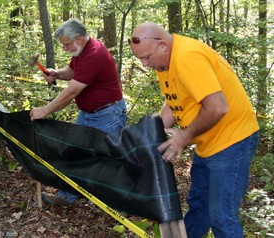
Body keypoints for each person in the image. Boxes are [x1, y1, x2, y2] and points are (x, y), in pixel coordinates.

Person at [129, 22, 259, 238]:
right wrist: (154, 132)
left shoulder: (187, 57)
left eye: (147, 57)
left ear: (162, 45)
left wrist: (184, 136)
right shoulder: (164, 63)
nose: (144, 64)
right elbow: (173, 100)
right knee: (199, 208)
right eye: (140, 58)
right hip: (208, 143)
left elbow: (218, 107)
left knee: (221, 216)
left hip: (232, 140)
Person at [29, 18, 127, 205]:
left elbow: (72, 91)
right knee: (75, 153)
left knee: (107, 160)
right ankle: (68, 197)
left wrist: (45, 110)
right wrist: (56, 73)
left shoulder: (94, 54)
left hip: (108, 116)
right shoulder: (81, 51)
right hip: (89, 114)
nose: (65, 49)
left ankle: (122, 202)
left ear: (79, 38)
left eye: (66, 44)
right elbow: (72, 72)